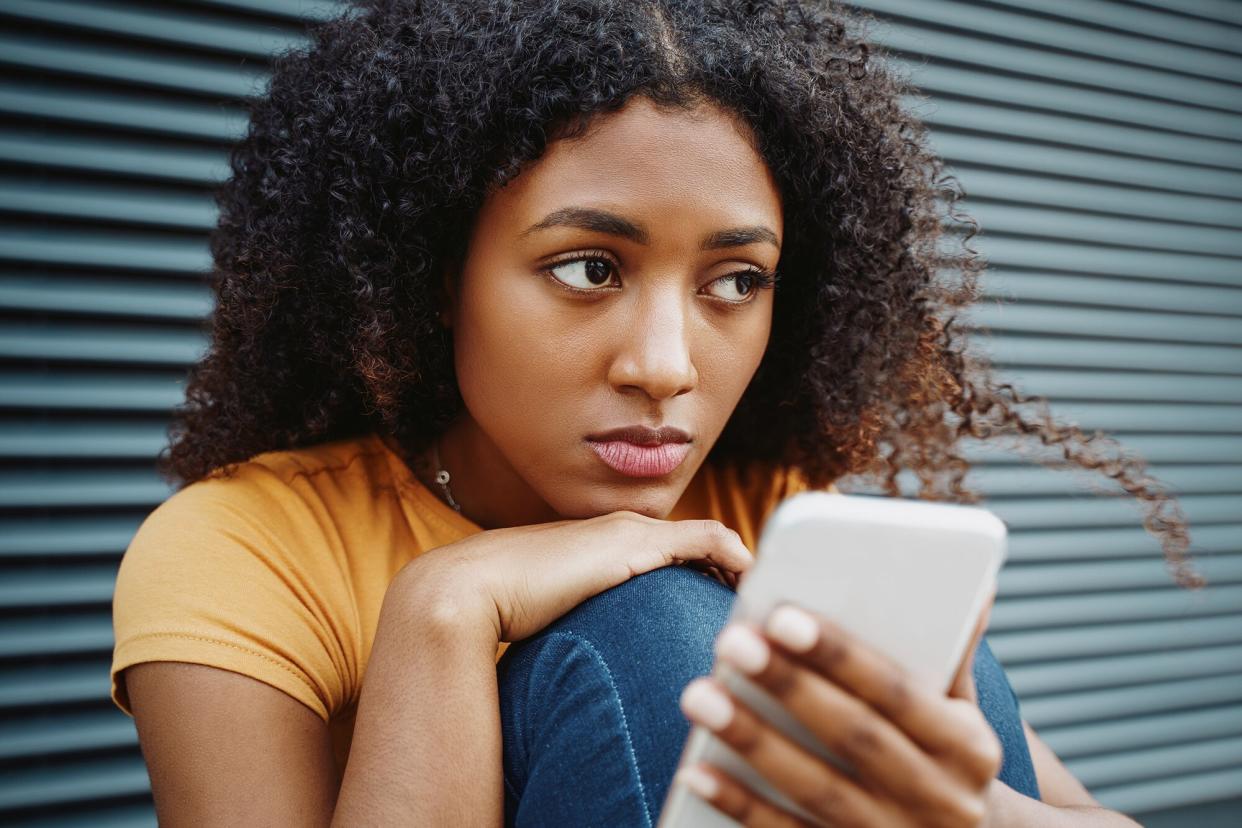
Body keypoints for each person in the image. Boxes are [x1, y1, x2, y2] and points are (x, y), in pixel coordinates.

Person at [109, 0, 1202, 824]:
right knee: (654, 630)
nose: (667, 367)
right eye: (589, 266)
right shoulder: (241, 553)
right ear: (441, 274)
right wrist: (443, 611)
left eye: (735, 282)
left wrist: (959, 811)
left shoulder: (766, 505)